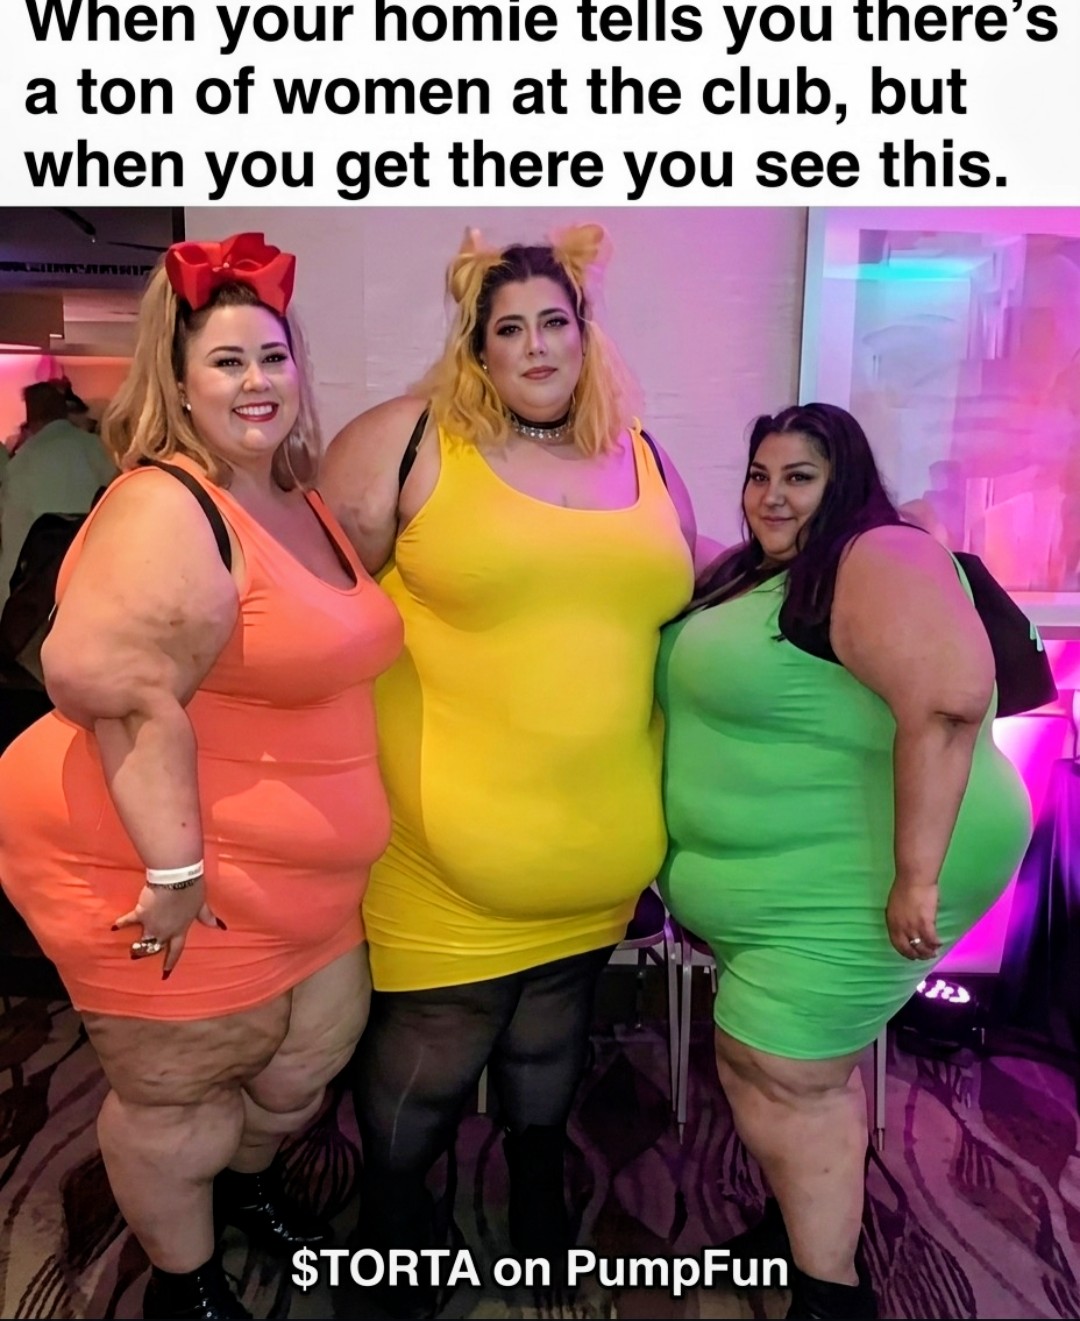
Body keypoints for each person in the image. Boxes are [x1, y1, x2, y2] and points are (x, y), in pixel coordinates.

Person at [0, 233, 403, 1320]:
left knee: (298, 1071)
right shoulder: (165, 504)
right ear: (177, 382)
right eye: (226, 361)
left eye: (272, 355)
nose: (256, 380)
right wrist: (174, 871)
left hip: (301, 883)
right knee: (179, 1104)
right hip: (169, 874)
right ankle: (187, 1283)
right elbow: (120, 692)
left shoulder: (296, 498)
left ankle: (247, 1191)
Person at [320, 224, 696, 1310]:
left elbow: (691, 592)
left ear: (585, 333)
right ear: (475, 347)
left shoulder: (644, 453)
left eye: (554, 322)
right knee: (428, 1062)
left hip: (598, 845)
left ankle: (537, 1205)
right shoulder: (408, 440)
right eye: (509, 328)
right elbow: (314, 612)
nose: (536, 345)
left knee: (552, 1037)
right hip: (443, 847)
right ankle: (391, 1237)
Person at [656, 402, 1031, 1319]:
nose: (771, 496)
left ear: (846, 481)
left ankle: (832, 1296)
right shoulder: (765, 573)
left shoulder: (877, 553)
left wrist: (916, 876)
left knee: (785, 1069)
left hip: (869, 870)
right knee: (781, 1068)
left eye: (800, 476)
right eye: (760, 475)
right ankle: (801, 1232)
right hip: (801, 869)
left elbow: (946, 703)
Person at [0, 380, 116, 612]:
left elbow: (12, 545)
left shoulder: (21, 464)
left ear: (31, 417)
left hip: (36, 592)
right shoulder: (99, 450)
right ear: (63, 410)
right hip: (94, 579)